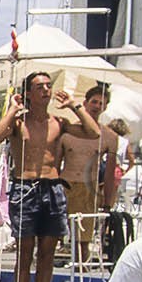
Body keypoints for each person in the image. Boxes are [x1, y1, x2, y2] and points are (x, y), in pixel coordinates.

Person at [0, 71, 103, 282]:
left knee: (48, 254)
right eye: (40, 87)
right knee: (24, 253)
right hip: (24, 187)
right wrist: (13, 109)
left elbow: (94, 132)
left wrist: (75, 105)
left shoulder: (58, 122)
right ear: (28, 92)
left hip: (52, 188)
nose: (46, 90)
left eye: (49, 86)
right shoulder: (18, 123)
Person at [57, 85, 117, 264]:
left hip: (88, 189)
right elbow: (54, 163)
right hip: (64, 185)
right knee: (51, 235)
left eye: (101, 103)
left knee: (82, 240)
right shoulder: (67, 130)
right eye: (94, 102)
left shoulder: (110, 137)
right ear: (85, 103)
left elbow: (110, 174)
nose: (97, 106)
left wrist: (107, 203)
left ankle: (80, 274)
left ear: (105, 107)